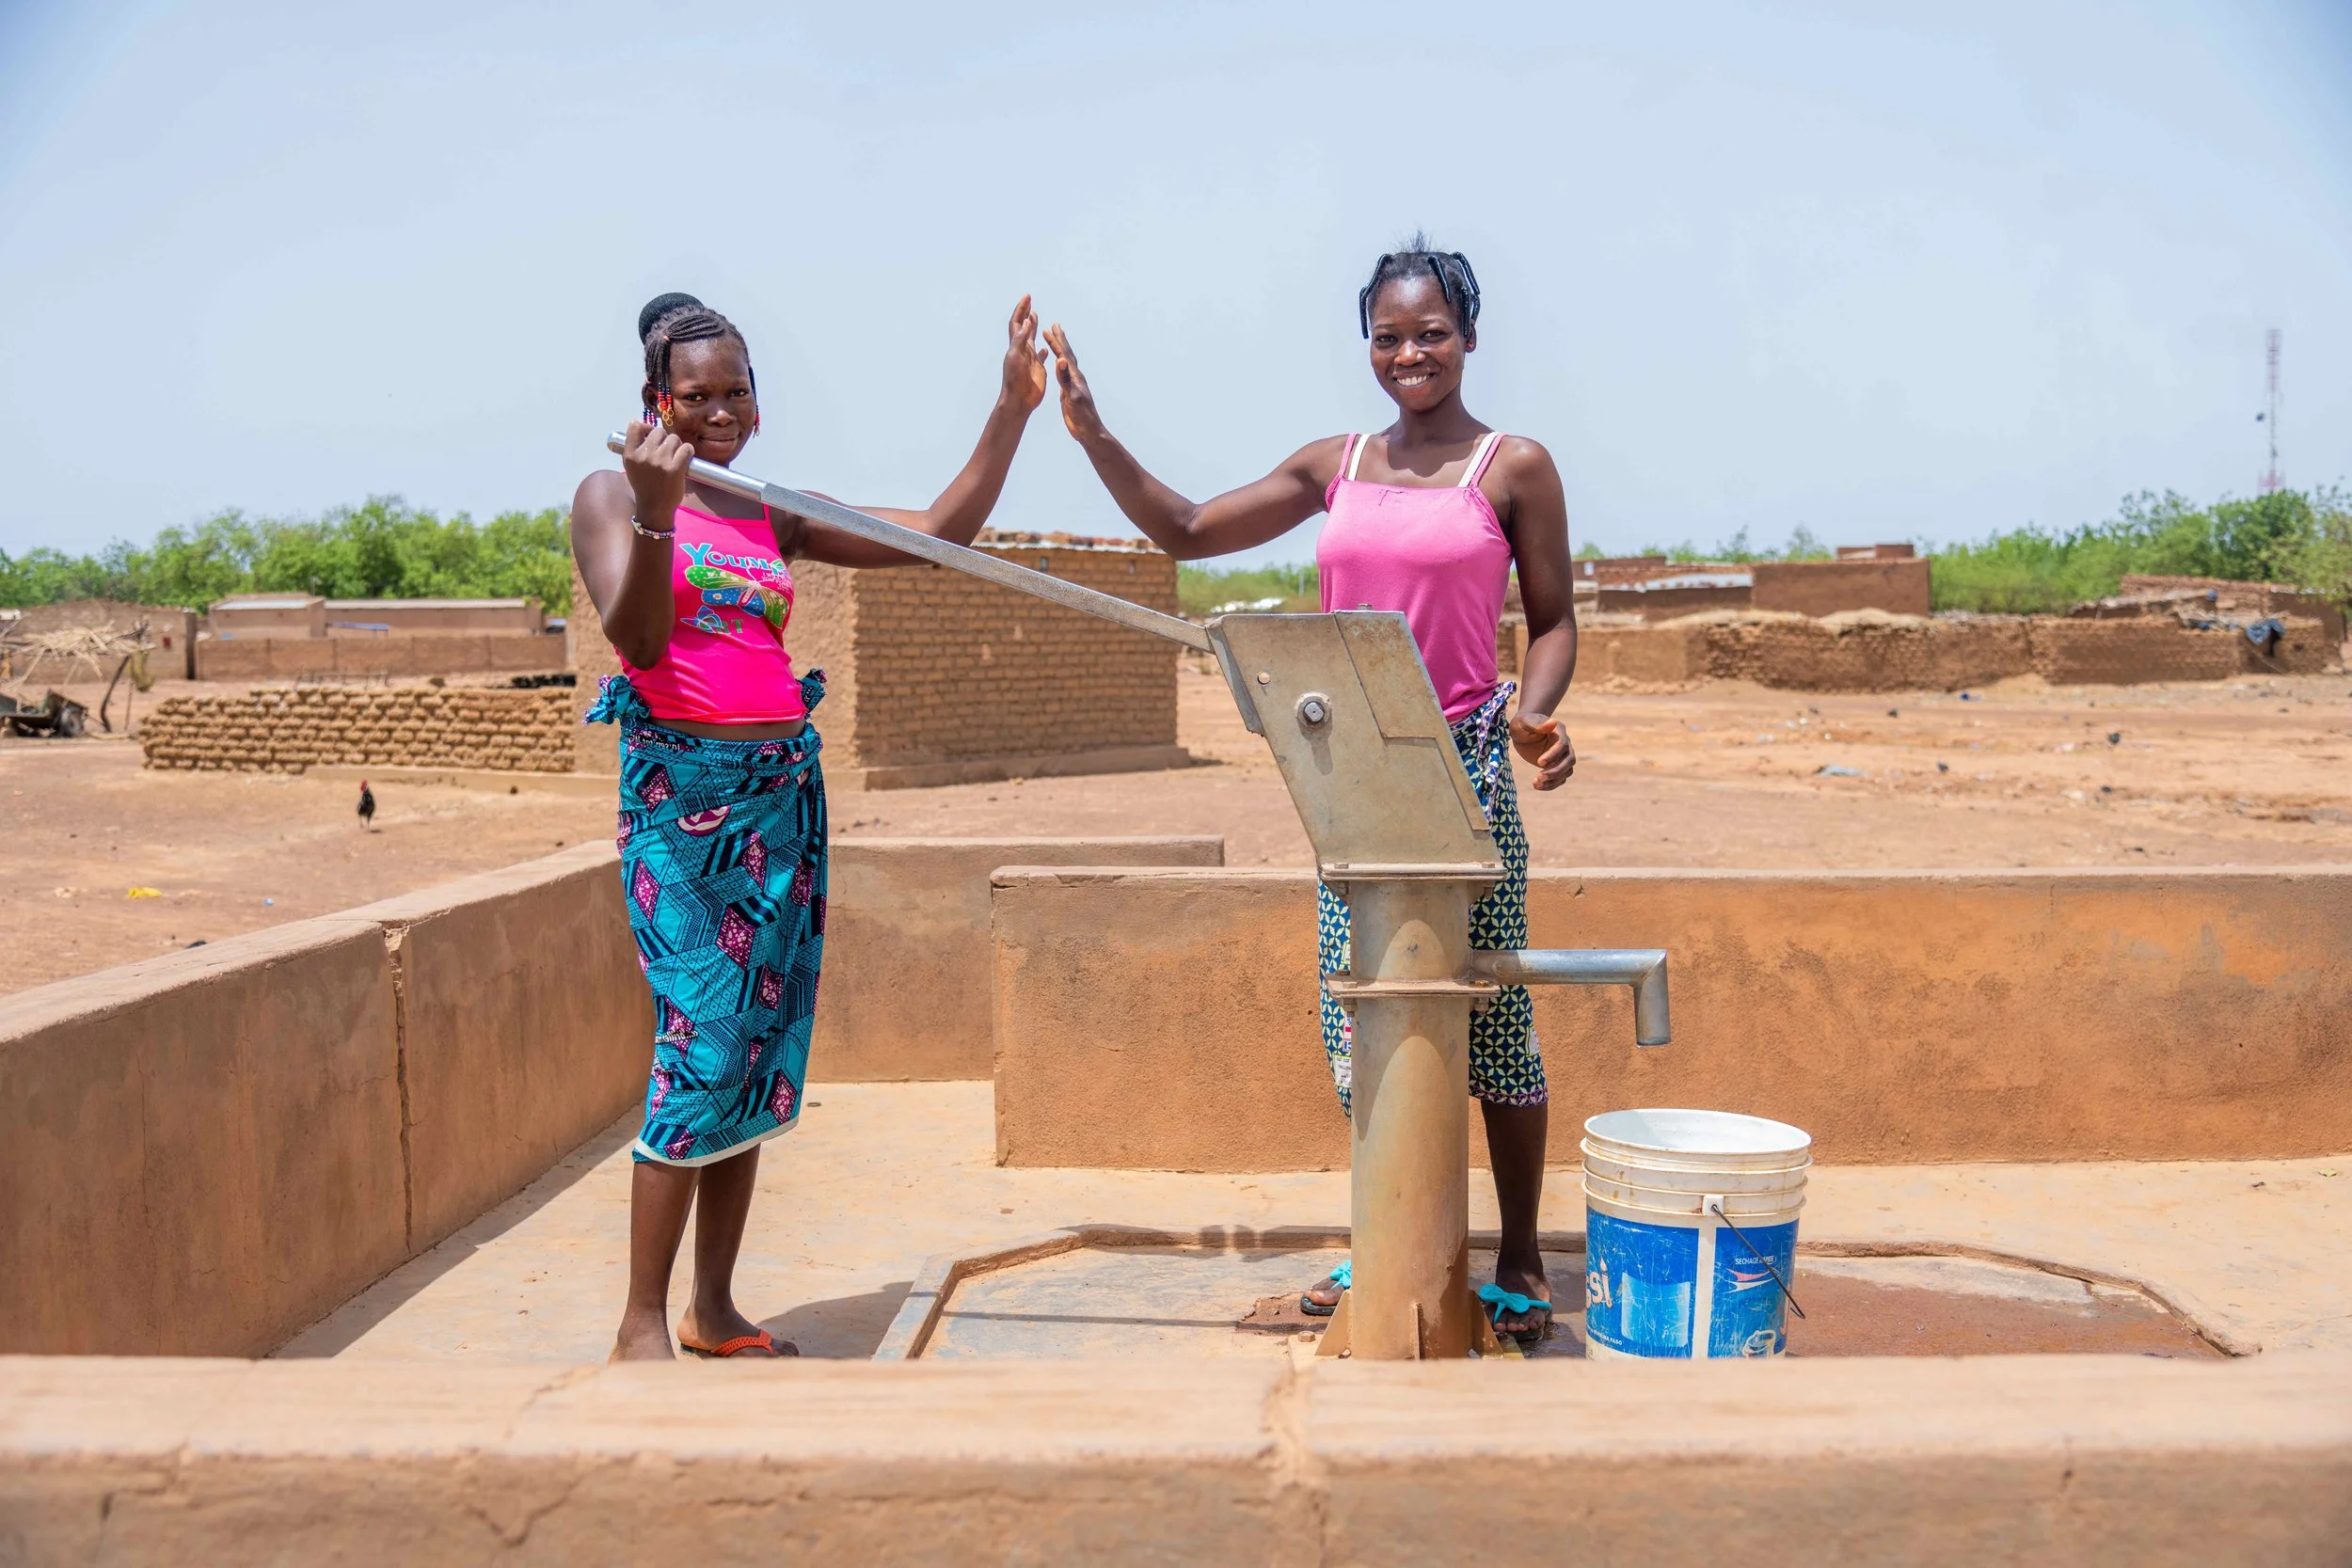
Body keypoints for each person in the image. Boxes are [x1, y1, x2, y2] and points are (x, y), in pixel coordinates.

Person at [1045, 239, 1577, 1343]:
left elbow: (1555, 615)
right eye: (1388, 335)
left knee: (1494, 1011)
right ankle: (1389, 1232)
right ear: (1367, 346)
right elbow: (1187, 531)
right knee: (1364, 1013)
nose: (1409, 352)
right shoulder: (1333, 465)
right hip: (1348, 779)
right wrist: (1094, 433)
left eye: (1430, 331)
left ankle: (1516, 1246)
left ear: (1468, 337)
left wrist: (1535, 711)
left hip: (1465, 762)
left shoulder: (1512, 466)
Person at [575, 291, 1048, 1359]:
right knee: (700, 1038)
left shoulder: (769, 507)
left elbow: (938, 537)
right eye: (694, 396)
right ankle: (638, 1322)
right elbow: (640, 640)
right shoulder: (612, 493)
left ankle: (713, 1307)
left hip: (781, 798)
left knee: (753, 1047)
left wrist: (1010, 410)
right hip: (681, 805)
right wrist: (658, 511)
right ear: (656, 401)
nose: (719, 412)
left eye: (737, 390)